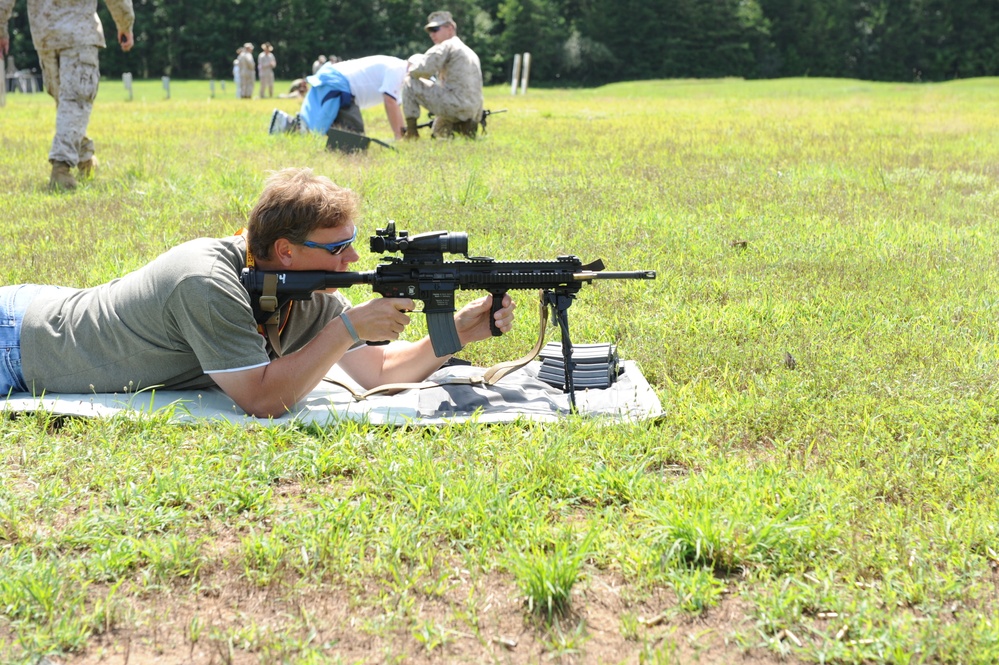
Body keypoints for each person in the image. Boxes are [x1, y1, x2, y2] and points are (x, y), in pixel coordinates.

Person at [0, 168, 516, 418]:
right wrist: (349, 327)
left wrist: (459, 335)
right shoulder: (204, 280)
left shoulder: (299, 286)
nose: (353, 261)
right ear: (287, 251)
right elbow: (264, 399)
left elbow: (376, 372)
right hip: (19, 343)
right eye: (340, 247)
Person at [0, 0, 134, 190]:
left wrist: (1, 29)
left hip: (45, 35)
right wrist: (125, 25)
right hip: (79, 34)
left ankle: (86, 159)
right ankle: (61, 168)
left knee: (68, 105)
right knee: (75, 103)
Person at [270, 55, 407, 140]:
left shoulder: (396, 67)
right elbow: (390, 102)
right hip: (339, 87)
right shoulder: (399, 68)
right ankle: (289, 125)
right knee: (353, 140)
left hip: (337, 82)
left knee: (315, 121)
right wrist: (399, 137)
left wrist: (403, 133)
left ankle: (288, 124)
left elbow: (396, 106)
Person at [402, 10, 483, 140]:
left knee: (409, 82)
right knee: (438, 134)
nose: (431, 34)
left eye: (435, 29)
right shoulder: (470, 51)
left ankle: (411, 133)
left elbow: (424, 69)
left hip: (455, 104)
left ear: (450, 28)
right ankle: (465, 129)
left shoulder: (447, 45)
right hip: (474, 110)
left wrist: (410, 69)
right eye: (429, 31)